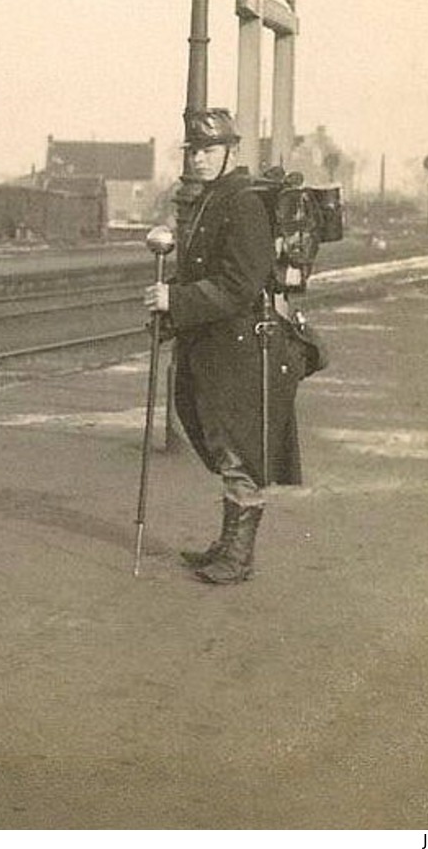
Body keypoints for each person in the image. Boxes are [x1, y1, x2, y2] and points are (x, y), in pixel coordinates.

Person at [143, 108, 305, 585]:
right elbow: (201, 270)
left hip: (242, 348)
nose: (198, 159)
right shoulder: (213, 198)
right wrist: (169, 297)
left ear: (230, 151)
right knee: (222, 443)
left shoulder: (242, 203)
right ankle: (228, 543)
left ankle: (239, 555)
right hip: (217, 345)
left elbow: (240, 281)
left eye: (208, 150)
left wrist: (177, 298)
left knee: (239, 450)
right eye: (193, 151)